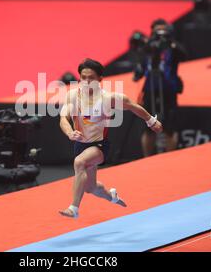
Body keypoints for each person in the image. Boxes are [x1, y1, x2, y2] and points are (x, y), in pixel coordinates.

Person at [59, 58, 163, 218]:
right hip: (80, 145)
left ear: (100, 79)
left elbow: (132, 106)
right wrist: (69, 133)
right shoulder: (72, 95)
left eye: (91, 78)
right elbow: (63, 119)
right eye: (83, 77)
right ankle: (111, 196)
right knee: (90, 188)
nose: (86, 81)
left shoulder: (108, 98)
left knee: (79, 163)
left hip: (99, 146)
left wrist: (151, 120)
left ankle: (74, 208)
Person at [133, 19, 186, 157]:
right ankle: (147, 158)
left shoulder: (173, 47)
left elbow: (184, 55)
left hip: (169, 90)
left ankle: (170, 159)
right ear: (152, 33)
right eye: (157, 32)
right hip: (150, 90)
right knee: (148, 129)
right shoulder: (148, 47)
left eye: (164, 31)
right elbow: (139, 69)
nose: (161, 35)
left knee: (169, 129)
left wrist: (171, 43)